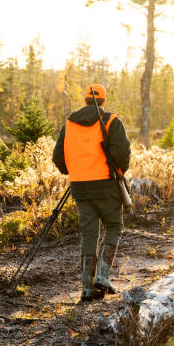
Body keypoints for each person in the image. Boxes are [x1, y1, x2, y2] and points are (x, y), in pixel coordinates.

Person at [52, 84, 131, 301]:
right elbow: (122, 152)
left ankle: (87, 288)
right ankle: (103, 277)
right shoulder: (111, 121)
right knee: (114, 226)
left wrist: (76, 171)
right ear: (103, 101)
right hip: (106, 185)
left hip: (80, 187)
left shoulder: (69, 124)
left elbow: (58, 157)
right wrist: (118, 171)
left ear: (85, 100)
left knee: (89, 235)